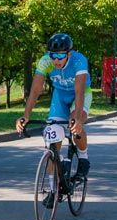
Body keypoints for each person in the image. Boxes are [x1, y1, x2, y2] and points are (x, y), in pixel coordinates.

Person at [14, 33, 91, 208]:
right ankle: (53, 189)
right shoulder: (45, 61)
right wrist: (26, 115)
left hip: (80, 96)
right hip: (59, 97)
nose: (56, 60)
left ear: (69, 54)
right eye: (53, 55)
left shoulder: (79, 60)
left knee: (74, 123)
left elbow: (79, 92)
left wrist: (78, 118)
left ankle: (84, 157)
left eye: (61, 56)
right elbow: (35, 90)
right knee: (52, 141)